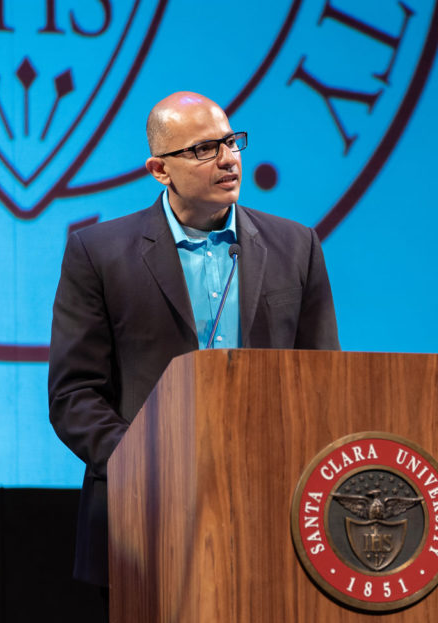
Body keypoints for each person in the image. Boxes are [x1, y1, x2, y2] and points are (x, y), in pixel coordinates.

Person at [48, 91, 340, 586]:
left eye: (231, 142)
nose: (228, 159)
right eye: (205, 150)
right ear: (160, 170)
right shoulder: (99, 254)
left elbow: (327, 382)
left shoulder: (297, 246)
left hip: (271, 513)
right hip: (142, 518)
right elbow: (74, 395)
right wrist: (148, 464)